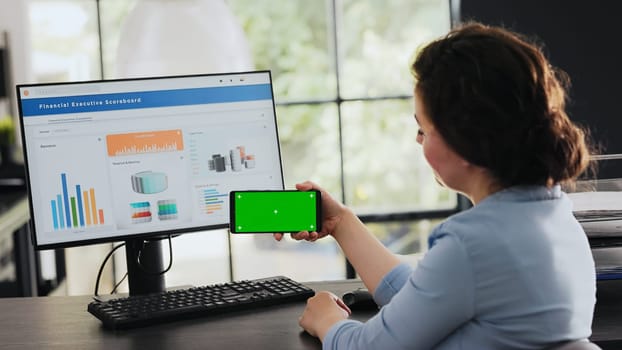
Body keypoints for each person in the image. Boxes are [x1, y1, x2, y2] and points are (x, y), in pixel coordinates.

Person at [274, 22, 597, 349]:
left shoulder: (471, 245)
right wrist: (341, 222)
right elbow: (420, 297)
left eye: (424, 129)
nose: (418, 140)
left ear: (467, 141)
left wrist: (327, 320)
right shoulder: (554, 219)